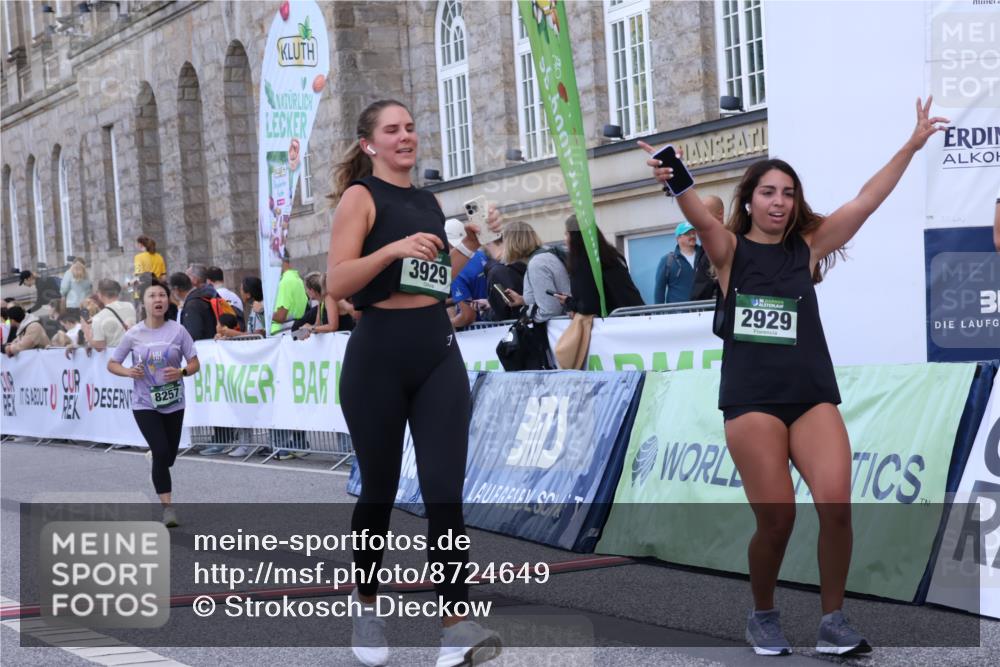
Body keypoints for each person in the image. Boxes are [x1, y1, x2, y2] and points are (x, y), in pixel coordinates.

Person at [640, 96, 946, 656]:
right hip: (752, 403)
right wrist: (675, 174)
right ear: (750, 201)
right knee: (777, 520)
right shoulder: (728, 250)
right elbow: (698, 216)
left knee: (836, 506)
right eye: (768, 192)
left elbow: (868, 200)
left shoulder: (808, 248)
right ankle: (762, 614)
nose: (779, 202)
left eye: (788, 193)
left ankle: (834, 622)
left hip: (810, 399)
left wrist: (912, 144)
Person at [326, 98, 501, 667]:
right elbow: (337, 282)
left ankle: (455, 625)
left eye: (411, 127)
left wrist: (471, 247)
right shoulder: (361, 198)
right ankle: (368, 604)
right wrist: (394, 248)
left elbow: (430, 284)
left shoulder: (427, 201)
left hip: (435, 351)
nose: (407, 136)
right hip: (377, 356)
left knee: (444, 490)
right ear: (369, 144)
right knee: (378, 489)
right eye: (392, 129)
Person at [108, 280, 200, 528]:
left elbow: (194, 363)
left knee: (167, 457)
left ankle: (157, 459)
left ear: (168, 301)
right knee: (160, 452)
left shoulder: (178, 331)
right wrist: (129, 372)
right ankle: (168, 509)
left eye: (162, 295)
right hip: (144, 403)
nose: (158, 299)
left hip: (174, 402)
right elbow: (112, 363)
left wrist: (181, 372)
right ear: (145, 302)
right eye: (152, 295)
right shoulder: (134, 334)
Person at [562, 215, 643, 315]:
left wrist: (568, 302)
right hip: (637, 317)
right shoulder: (611, 255)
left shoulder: (583, 263)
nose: (564, 239)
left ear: (575, 237)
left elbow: (588, 307)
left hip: (614, 323)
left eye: (567, 234)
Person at [485, 221, 538, 321]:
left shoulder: (499, 272)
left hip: (521, 328)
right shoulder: (537, 261)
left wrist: (486, 313)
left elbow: (501, 314)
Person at [654, 222, 704, 304]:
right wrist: (659, 314)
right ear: (678, 238)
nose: (692, 236)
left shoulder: (705, 256)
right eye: (688, 234)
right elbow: (659, 290)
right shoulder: (667, 261)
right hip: (678, 314)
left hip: (704, 311)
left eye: (694, 233)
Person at [86, 279, 137, 351]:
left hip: (115, 357)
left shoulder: (98, 318)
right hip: (132, 354)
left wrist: (87, 332)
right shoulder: (130, 306)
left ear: (100, 294)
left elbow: (99, 347)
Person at [168, 272, 217, 343]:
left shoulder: (192, 306)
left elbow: (193, 335)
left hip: (204, 350)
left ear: (176, 290)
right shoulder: (203, 295)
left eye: (172, 290)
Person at [269, 251, 308, 335]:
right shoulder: (298, 279)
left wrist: (263, 311)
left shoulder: (285, 282)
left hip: (281, 334)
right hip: (291, 330)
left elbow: (280, 316)